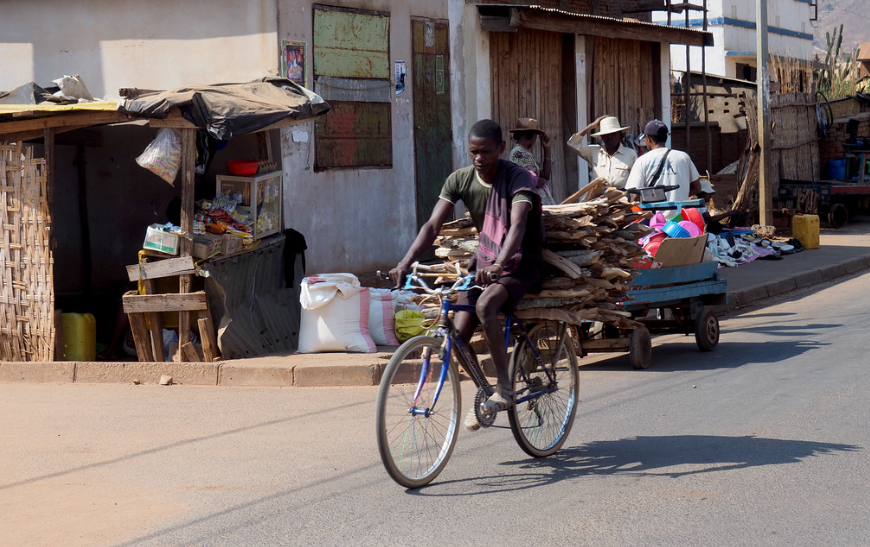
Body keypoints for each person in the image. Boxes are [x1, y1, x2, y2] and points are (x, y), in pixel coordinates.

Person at [390, 119, 545, 431]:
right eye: (473, 151)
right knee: (457, 336)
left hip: (519, 262)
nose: (479, 158)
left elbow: (517, 225)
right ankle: (486, 392)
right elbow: (432, 226)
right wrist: (405, 261)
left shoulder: (518, 177)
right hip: (485, 262)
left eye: (485, 151)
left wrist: (500, 265)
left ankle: (504, 387)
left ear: (500, 149)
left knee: (486, 306)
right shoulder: (460, 179)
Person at [625, 119, 701, 219]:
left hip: (654, 222)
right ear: (666, 137)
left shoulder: (642, 161)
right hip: (680, 220)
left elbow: (635, 197)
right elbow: (697, 188)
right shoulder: (683, 157)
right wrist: (677, 195)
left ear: (648, 139)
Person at [567, 115, 637, 189]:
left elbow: (635, 180)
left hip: (621, 196)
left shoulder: (630, 154)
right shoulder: (594, 151)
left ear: (619, 134)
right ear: (602, 137)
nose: (609, 137)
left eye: (613, 134)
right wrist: (591, 126)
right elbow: (572, 143)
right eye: (606, 135)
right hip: (597, 197)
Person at [507, 117, 556, 205]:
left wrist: (547, 148)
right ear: (530, 135)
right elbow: (539, 181)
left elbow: (545, 175)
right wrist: (539, 180)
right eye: (535, 136)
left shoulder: (524, 153)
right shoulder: (519, 152)